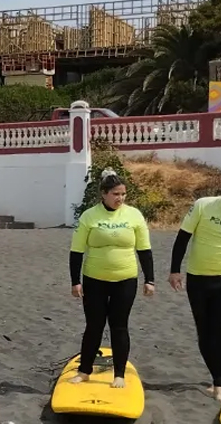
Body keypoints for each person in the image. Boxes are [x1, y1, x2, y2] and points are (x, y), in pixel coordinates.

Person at [68, 168, 155, 388]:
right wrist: (75, 281)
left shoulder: (134, 215)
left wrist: (150, 280)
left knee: (119, 326)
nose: (120, 198)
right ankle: (85, 370)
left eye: (123, 194)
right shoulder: (89, 216)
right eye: (116, 194)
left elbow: (144, 250)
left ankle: (119, 374)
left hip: (125, 280)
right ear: (104, 194)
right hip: (94, 279)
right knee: (94, 325)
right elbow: (76, 251)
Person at [168, 194, 221, 399]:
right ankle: (216, 376)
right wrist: (174, 270)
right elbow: (182, 238)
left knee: (217, 330)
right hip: (198, 279)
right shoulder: (203, 205)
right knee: (204, 331)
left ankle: (218, 382)